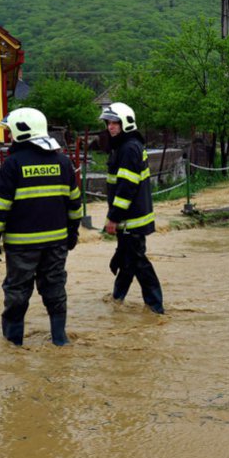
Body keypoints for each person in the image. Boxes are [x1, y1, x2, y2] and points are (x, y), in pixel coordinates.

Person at [0, 107, 82, 346]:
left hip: (21, 245)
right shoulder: (63, 162)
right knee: (55, 289)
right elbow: (76, 204)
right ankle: (60, 340)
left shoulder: (12, 164)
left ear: (21, 130)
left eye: (10, 131)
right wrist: (73, 232)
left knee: (17, 293)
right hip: (56, 244)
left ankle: (13, 346)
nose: (9, 137)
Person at [100, 102, 165, 314]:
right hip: (131, 217)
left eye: (115, 123)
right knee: (127, 260)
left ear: (125, 124)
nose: (110, 127)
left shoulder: (128, 148)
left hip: (131, 220)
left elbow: (126, 189)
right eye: (108, 123)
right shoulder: (127, 145)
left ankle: (156, 308)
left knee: (138, 262)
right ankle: (117, 298)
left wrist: (113, 218)